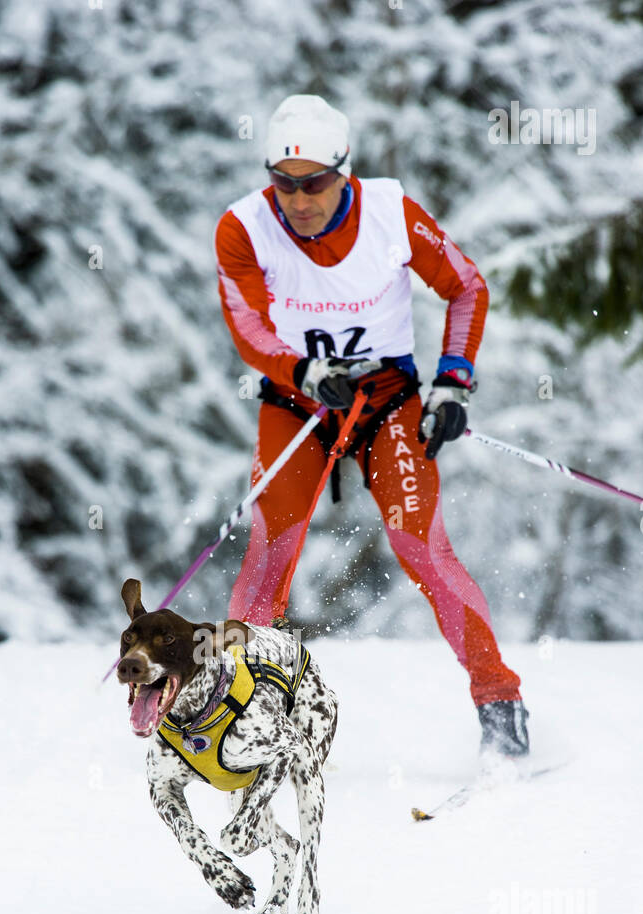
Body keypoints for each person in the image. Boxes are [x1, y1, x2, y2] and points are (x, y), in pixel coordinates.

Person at [215, 93, 529, 758]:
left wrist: (452, 382)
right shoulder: (243, 226)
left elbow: (466, 286)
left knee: (420, 546)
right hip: (299, 405)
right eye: (283, 184)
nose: (298, 202)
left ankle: (499, 704)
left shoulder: (389, 212)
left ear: (344, 171)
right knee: (270, 552)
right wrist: (300, 371)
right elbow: (244, 323)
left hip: (385, 403)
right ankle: (237, 711)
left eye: (315, 184)